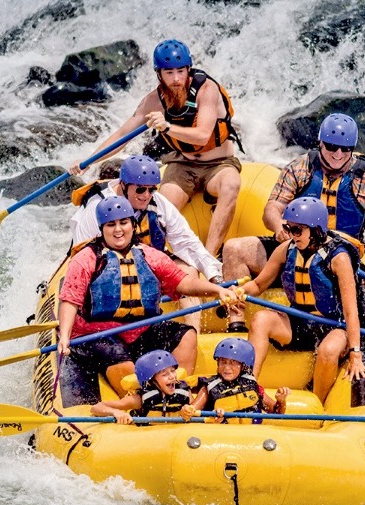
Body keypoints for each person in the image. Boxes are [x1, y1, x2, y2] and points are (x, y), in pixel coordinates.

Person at [57, 197, 240, 407]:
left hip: (141, 330)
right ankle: (140, 402)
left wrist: (218, 290)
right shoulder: (87, 258)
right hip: (99, 333)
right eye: (111, 224)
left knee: (185, 335)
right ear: (101, 229)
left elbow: (184, 283)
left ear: (133, 225)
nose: (118, 230)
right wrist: (64, 336)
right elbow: (70, 299)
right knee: (117, 355)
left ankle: (177, 393)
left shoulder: (150, 255)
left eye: (123, 223)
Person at [222, 112, 365, 332]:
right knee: (234, 248)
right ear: (320, 142)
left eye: (345, 148)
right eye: (331, 146)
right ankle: (236, 323)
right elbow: (272, 208)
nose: (338, 154)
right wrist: (279, 228)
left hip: (337, 260)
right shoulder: (299, 168)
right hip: (297, 246)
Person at [70, 39, 242, 257]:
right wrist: (89, 161)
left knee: (231, 184)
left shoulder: (206, 89)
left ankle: (208, 257)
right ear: (159, 74)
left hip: (219, 163)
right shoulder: (153, 101)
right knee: (156, 205)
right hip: (182, 164)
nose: (177, 78)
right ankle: (145, 258)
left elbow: (202, 135)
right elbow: (122, 135)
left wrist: (168, 127)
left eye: (181, 71)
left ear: (189, 69)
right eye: (169, 72)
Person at [70, 154, 224, 331]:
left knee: (188, 269)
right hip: (109, 271)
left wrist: (215, 276)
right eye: (141, 190)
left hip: (150, 264)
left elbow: (187, 242)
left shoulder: (158, 203)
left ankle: (193, 334)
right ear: (123, 186)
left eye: (152, 190)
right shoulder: (97, 208)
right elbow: (82, 258)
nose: (146, 195)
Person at [239, 197, 365, 402]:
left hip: (334, 325)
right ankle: (248, 389)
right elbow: (257, 285)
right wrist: (238, 292)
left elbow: (350, 311)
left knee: (328, 350)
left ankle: (317, 404)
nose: (291, 235)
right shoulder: (287, 249)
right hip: (299, 321)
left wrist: (355, 353)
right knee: (261, 319)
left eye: (297, 230)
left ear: (316, 230)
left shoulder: (339, 258)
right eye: (288, 228)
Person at [186, 337, 289, 424]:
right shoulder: (208, 388)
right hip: (220, 437)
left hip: (251, 438)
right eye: (223, 362)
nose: (226, 367)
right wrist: (211, 417)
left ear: (243, 366)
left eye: (232, 363)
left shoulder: (252, 386)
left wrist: (281, 401)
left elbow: (277, 414)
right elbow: (189, 414)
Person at [91, 350, 196, 425]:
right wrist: (116, 412)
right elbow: (96, 408)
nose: (172, 377)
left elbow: (197, 410)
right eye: (164, 374)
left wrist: (190, 410)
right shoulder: (139, 399)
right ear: (151, 381)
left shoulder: (184, 393)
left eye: (172, 371)